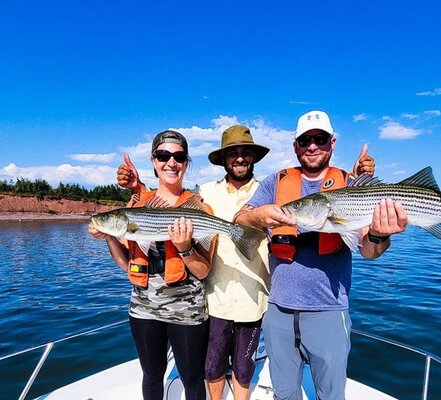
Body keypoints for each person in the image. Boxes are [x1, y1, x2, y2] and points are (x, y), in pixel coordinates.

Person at [116, 123, 375, 400]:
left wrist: (358, 182)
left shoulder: (266, 187)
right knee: (211, 369)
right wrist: (138, 187)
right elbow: (163, 204)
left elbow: (340, 202)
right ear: (223, 159)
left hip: (255, 300)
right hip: (215, 299)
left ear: (254, 157)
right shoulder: (209, 191)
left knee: (243, 370)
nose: (239, 157)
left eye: (246, 152)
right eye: (232, 153)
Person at [233, 110, 408, 400]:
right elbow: (240, 220)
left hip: (329, 310)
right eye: (305, 140)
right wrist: (259, 215)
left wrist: (379, 234)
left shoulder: (351, 184)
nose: (312, 146)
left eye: (320, 139)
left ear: (332, 142)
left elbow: (370, 250)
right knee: (284, 394)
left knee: (330, 395)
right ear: (295, 146)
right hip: (278, 311)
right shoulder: (275, 182)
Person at [90, 130, 215, 400]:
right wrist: (109, 235)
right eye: (163, 155)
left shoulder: (200, 210)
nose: (171, 162)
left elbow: (204, 271)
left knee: (192, 378)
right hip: (144, 310)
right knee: (151, 375)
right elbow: (126, 265)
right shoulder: (137, 204)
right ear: (153, 160)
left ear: (186, 162)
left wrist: (184, 248)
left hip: (188, 310)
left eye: (179, 157)